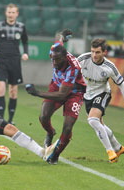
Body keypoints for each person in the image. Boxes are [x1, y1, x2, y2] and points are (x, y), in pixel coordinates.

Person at [25, 29, 86, 165]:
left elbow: (62, 95)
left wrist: (37, 93)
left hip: (74, 93)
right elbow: (58, 37)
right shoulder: (55, 51)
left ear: (65, 57)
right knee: (44, 116)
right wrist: (62, 35)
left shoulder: (73, 67)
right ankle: (50, 132)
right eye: (53, 59)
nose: (55, 62)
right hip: (56, 85)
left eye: (58, 60)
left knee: (68, 127)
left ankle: (55, 155)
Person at [77, 38, 124, 162]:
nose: (94, 55)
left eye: (97, 52)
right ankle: (118, 147)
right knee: (99, 124)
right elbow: (70, 69)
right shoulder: (83, 59)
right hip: (87, 95)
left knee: (92, 120)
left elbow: (122, 84)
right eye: (92, 51)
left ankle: (110, 151)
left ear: (104, 52)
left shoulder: (110, 67)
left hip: (103, 93)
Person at [0, 3, 29, 124]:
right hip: (1, 60)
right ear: (6, 13)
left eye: (13, 12)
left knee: (13, 91)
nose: (11, 14)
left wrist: (25, 53)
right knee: (1, 89)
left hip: (15, 61)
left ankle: (10, 120)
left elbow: (25, 41)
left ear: (17, 14)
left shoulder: (21, 27)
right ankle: (1, 118)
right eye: (9, 12)